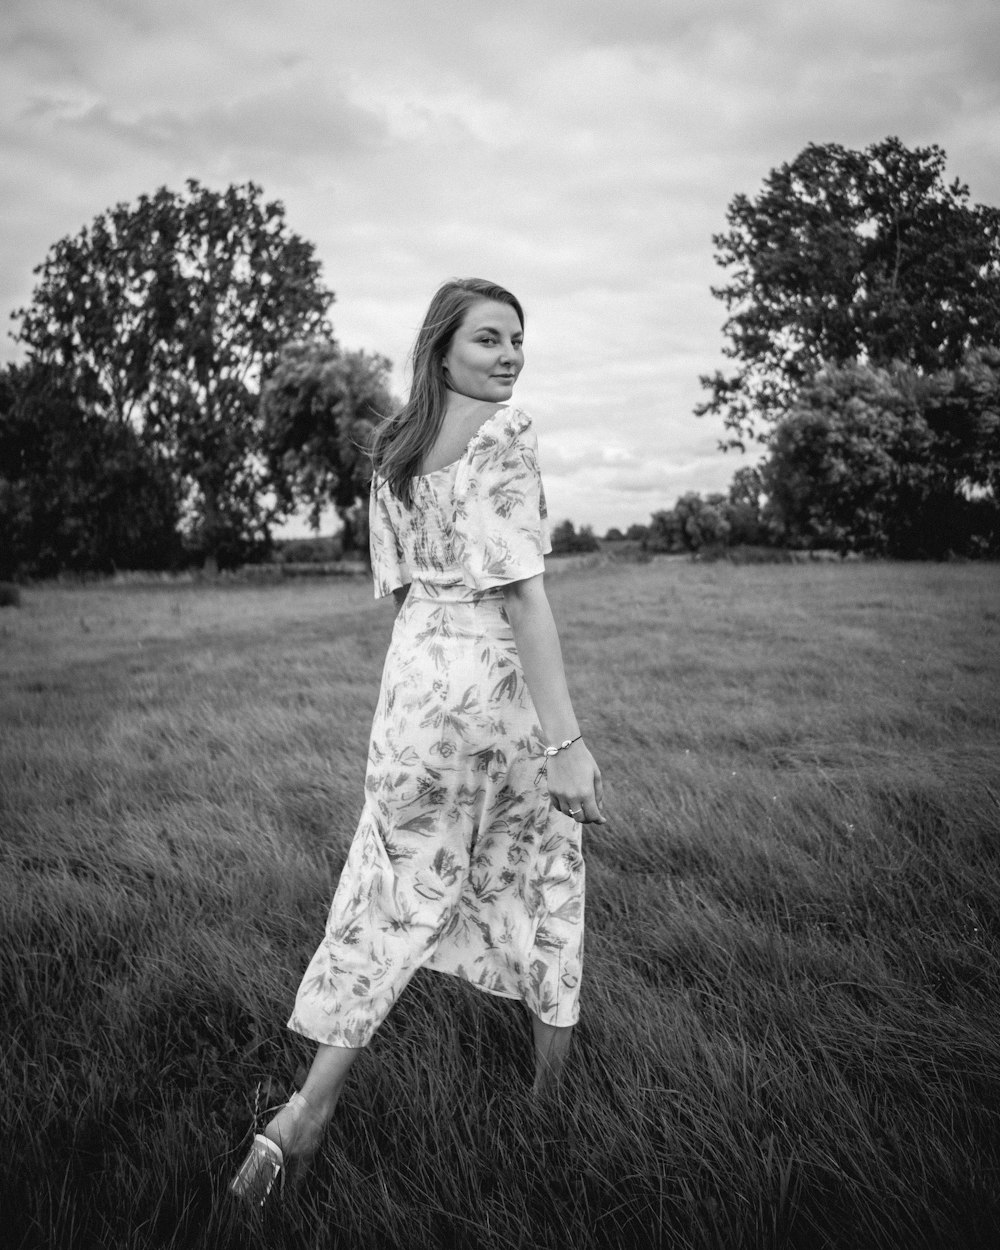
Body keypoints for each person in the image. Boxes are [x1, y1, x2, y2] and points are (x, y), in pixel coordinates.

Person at [230, 277, 605, 1206]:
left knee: (391, 894)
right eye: (488, 339)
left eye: (519, 339)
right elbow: (523, 596)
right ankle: (549, 1107)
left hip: (412, 694)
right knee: (545, 879)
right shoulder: (505, 439)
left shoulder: (391, 452)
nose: (510, 355)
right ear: (441, 349)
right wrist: (566, 743)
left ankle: (303, 1115)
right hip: (494, 693)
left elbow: (401, 589)